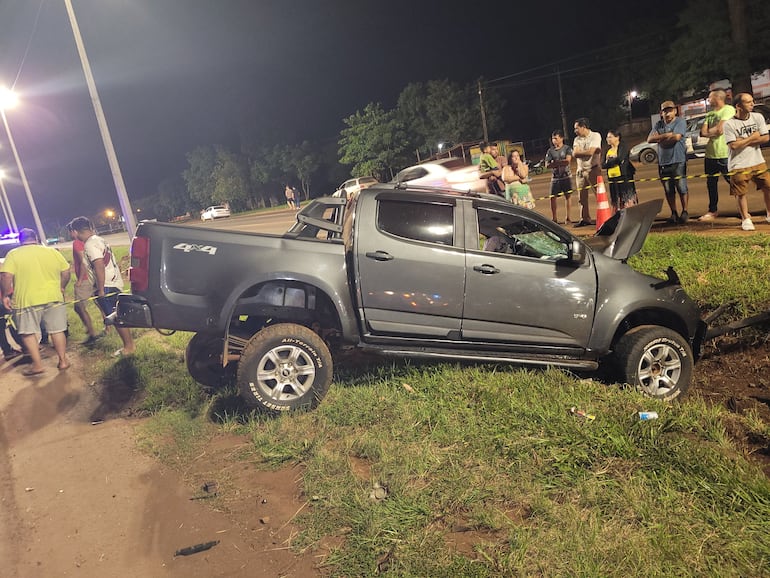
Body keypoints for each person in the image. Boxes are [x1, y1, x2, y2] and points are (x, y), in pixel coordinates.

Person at [0, 228, 71, 375]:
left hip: (25, 299)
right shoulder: (51, 252)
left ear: (20, 240)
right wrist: (62, 287)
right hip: (53, 296)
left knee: (27, 332)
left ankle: (38, 365)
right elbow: (66, 272)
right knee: (57, 330)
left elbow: (6, 276)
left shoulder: (13, 255)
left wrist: (6, 295)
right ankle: (63, 361)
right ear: (36, 238)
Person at [68, 217, 135, 355]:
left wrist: (101, 289)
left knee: (115, 317)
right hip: (113, 282)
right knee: (117, 316)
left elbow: (98, 264)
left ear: (75, 231)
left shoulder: (90, 245)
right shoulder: (99, 240)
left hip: (107, 285)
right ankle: (128, 345)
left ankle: (129, 347)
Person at [722, 92, 770, 231]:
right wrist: (753, 137)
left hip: (758, 161)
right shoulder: (729, 124)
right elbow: (733, 146)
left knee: (768, 187)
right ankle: (745, 218)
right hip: (738, 164)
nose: (752, 104)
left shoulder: (757, 117)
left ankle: (769, 213)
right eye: (748, 102)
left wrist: (743, 140)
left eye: (752, 101)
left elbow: (766, 138)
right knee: (740, 193)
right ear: (738, 106)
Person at [648, 100, 689, 224]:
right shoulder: (658, 124)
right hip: (663, 162)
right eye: (665, 111)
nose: (667, 113)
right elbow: (650, 139)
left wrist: (660, 139)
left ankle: (685, 211)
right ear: (661, 113)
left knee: (682, 188)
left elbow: (677, 137)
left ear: (675, 111)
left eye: (670, 110)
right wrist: (667, 136)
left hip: (678, 160)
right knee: (668, 190)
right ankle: (674, 213)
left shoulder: (680, 122)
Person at [699, 89, 735, 221]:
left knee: (733, 182)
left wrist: (710, 131)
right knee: (711, 184)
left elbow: (721, 130)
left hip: (724, 153)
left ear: (718, 98)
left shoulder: (728, 110)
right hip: (710, 154)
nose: (708, 100)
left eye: (710, 97)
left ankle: (744, 209)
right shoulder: (710, 114)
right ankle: (712, 210)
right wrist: (712, 131)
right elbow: (702, 133)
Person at [68, 223, 103, 345]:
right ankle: (107, 328)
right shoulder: (90, 241)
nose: (70, 235)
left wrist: (79, 280)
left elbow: (83, 261)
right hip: (93, 276)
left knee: (79, 307)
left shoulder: (77, 243)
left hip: (85, 279)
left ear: (74, 231)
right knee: (99, 302)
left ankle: (91, 333)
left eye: (70, 232)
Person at [572, 118, 602, 227]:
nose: (575, 131)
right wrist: (585, 152)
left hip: (593, 170)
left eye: (576, 128)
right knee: (581, 198)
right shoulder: (576, 140)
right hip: (580, 171)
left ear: (583, 127)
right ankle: (585, 219)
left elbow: (591, 153)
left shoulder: (595, 136)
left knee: (599, 195)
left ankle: (604, 217)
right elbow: (575, 154)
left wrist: (582, 152)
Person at [602, 129, 638, 212]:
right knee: (615, 198)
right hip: (612, 178)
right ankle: (617, 215)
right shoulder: (608, 150)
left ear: (617, 137)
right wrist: (613, 161)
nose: (608, 139)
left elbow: (620, 159)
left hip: (624, 176)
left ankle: (630, 213)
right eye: (607, 137)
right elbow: (603, 165)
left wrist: (609, 161)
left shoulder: (623, 147)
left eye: (610, 137)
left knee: (626, 197)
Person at [544, 130, 574, 224]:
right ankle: (554, 218)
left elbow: (568, 161)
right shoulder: (550, 151)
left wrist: (556, 163)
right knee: (552, 197)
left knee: (568, 196)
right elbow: (547, 165)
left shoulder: (567, 148)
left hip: (566, 176)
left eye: (556, 138)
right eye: (553, 139)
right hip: (555, 177)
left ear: (561, 138)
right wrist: (557, 163)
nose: (554, 141)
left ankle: (568, 217)